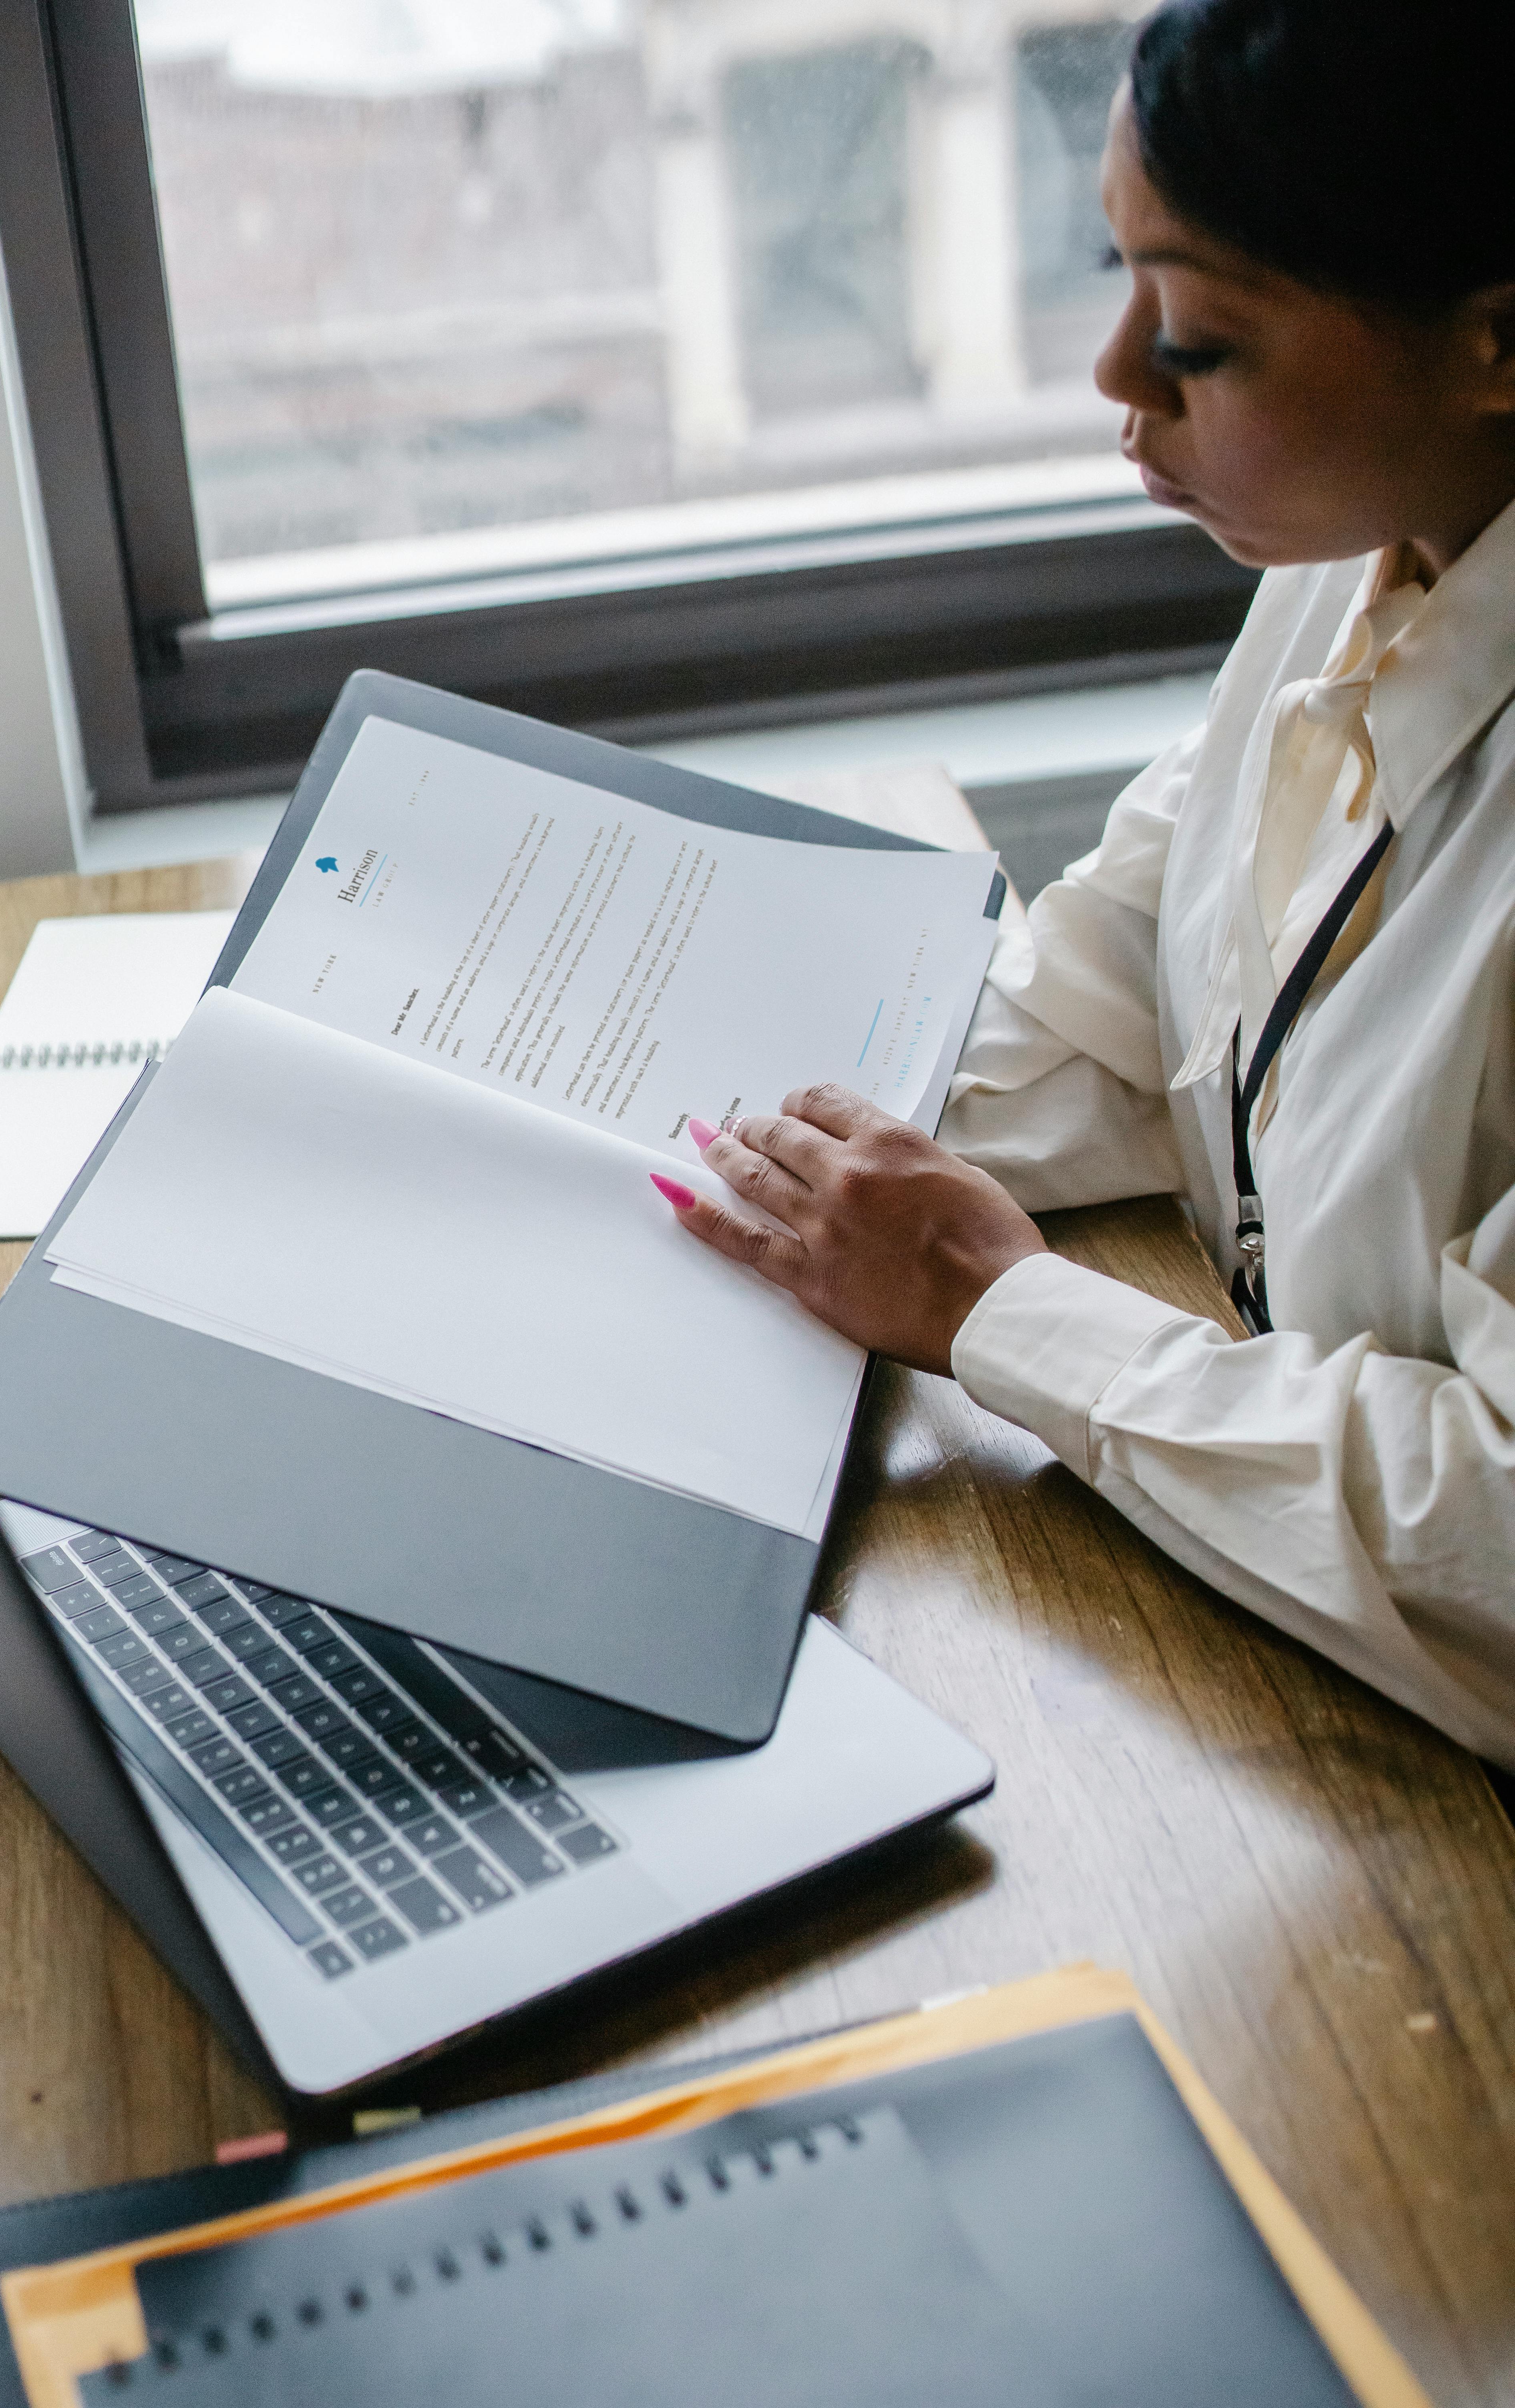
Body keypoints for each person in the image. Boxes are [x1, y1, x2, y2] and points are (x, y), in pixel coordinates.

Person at [651, 0, 1515, 1770]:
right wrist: (671, 1129)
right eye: (1116, 273)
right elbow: (1126, 990)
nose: (1115, 377)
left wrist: (997, 1310)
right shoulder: (1363, 557)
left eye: (1195, 332)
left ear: (1496, 342)